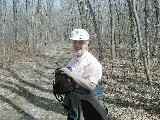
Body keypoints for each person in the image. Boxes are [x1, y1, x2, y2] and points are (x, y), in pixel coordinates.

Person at [61, 29, 108, 120]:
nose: (77, 45)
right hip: (75, 103)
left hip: (89, 104)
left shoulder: (93, 63)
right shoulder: (74, 60)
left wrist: (71, 74)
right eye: (75, 42)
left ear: (86, 44)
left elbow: (91, 86)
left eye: (81, 42)